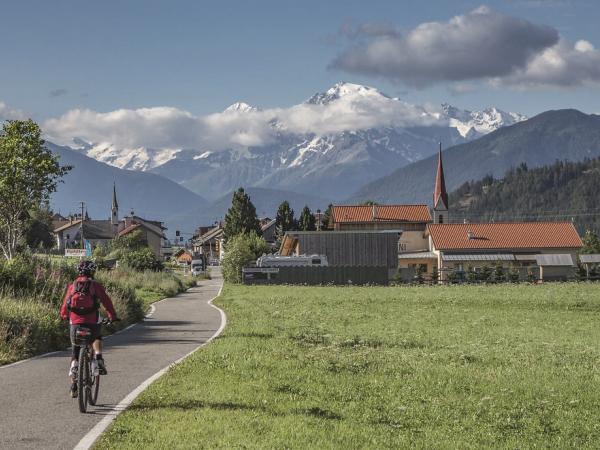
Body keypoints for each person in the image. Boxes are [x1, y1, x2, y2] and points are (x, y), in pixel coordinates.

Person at [60, 260, 119, 398]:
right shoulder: (95, 285)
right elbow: (106, 301)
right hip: (92, 322)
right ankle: (98, 358)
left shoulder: (72, 286)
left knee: (75, 349)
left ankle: (74, 384)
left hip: (75, 322)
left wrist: (63, 315)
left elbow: (65, 304)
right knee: (97, 337)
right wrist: (112, 316)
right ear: (92, 272)